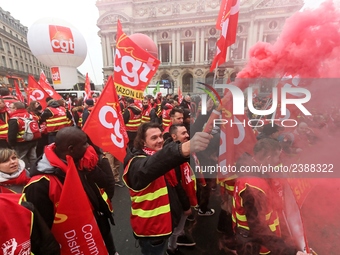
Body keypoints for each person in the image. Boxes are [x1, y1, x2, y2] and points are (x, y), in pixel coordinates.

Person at [23, 127, 118, 255]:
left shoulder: (78, 161)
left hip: (98, 227)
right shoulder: (39, 185)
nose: (88, 146)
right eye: (84, 143)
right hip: (74, 244)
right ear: (71, 149)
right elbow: (42, 230)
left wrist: (92, 168)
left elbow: (105, 183)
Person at [123, 122, 212, 255]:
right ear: (143, 142)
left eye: (160, 136)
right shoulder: (135, 164)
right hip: (152, 232)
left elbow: (174, 185)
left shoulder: (158, 155)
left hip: (166, 226)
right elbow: (148, 168)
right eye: (153, 138)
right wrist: (182, 149)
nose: (159, 141)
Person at [232, 138, 309, 255]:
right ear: (268, 159)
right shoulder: (254, 186)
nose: (278, 161)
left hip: (251, 238)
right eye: (277, 157)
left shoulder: (253, 170)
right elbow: (258, 229)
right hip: (253, 244)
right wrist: (290, 252)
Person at [166, 124, 197, 254]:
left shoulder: (182, 150)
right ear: (174, 136)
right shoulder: (173, 158)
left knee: (180, 225)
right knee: (176, 227)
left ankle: (181, 233)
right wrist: (186, 206)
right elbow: (177, 186)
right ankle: (172, 248)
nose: (187, 135)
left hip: (186, 196)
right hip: (180, 201)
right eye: (183, 133)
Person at [7, 101, 39, 169]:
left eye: (11, 108)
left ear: (15, 108)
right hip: (33, 140)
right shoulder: (31, 115)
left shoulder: (14, 119)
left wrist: (11, 144)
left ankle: (25, 174)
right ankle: (35, 171)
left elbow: (12, 134)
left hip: (20, 143)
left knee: (21, 159)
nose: (10, 109)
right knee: (33, 158)